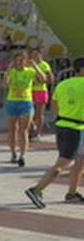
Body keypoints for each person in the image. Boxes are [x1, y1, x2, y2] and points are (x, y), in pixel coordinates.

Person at [26, 57, 84, 208]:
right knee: (62, 164)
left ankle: (72, 193)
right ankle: (36, 189)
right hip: (77, 128)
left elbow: (55, 106)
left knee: (80, 162)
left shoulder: (63, 84)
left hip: (63, 125)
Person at [4, 50, 45, 167]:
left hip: (25, 102)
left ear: (26, 61)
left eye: (21, 60)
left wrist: (35, 66)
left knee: (24, 130)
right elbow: (5, 83)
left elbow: (43, 78)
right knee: (12, 129)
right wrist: (8, 69)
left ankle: (22, 155)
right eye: (16, 60)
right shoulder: (12, 72)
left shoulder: (30, 71)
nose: (18, 63)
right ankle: (13, 153)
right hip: (12, 102)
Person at [31, 47, 54, 138]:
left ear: (41, 55)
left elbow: (49, 79)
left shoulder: (45, 65)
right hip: (31, 90)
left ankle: (38, 132)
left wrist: (40, 80)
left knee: (39, 112)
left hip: (41, 90)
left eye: (36, 55)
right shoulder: (29, 65)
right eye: (33, 55)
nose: (35, 57)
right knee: (29, 112)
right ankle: (32, 126)